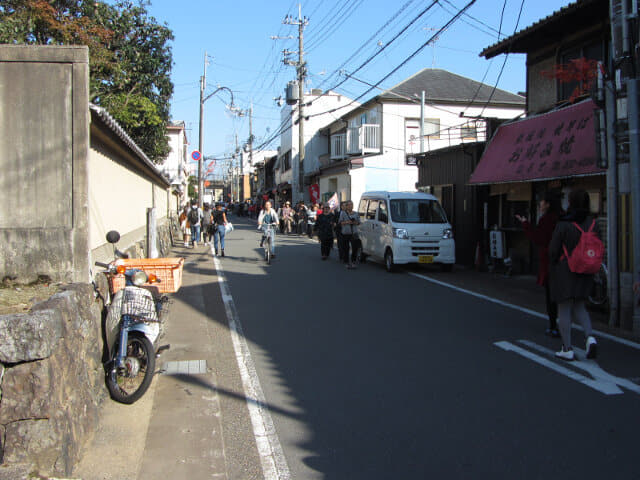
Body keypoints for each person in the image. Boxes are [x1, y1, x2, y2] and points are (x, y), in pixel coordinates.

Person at [549, 189, 599, 361]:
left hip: (566, 269)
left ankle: (567, 347)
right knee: (580, 305)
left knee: (564, 307)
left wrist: (553, 263)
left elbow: (553, 249)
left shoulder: (564, 223)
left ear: (570, 202)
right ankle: (590, 337)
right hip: (586, 269)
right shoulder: (593, 223)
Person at [516, 192, 561, 337]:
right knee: (568, 298)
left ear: (548, 204)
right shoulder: (563, 217)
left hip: (551, 261)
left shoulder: (546, 220)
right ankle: (586, 333)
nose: (540, 205)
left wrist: (525, 223)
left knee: (552, 296)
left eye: (541, 202)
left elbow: (538, 238)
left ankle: (554, 326)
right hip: (567, 261)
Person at [339, 200, 360, 269]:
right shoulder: (343, 213)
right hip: (346, 232)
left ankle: (353, 261)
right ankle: (347, 262)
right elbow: (340, 223)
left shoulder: (356, 213)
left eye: (352, 204)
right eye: (349, 205)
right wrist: (348, 222)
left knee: (355, 248)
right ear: (346, 206)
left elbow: (358, 223)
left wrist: (354, 222)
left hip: (354, 233)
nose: (351, 206)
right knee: (346, 248)